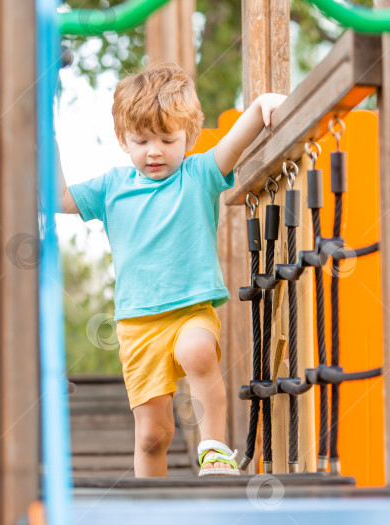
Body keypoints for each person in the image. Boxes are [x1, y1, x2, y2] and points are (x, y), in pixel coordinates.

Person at [58, 62, 285, 477]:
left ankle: (214, 449)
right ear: (122, 139)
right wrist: (45, 140)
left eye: (168, 139)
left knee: (197, 351)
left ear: (189, 138)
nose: (155, 151)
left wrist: (261, 106)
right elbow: (60, 199)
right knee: (153, 434)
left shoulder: (199, 174)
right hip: (137, 325)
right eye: (141, 140)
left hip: (190, 311)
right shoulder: (112, 186)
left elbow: (235, 142)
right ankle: (151, 504)